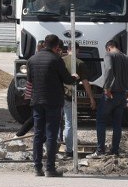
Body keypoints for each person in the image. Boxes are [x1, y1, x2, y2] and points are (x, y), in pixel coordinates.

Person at [27, 34, 78, 176]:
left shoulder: (32, 60)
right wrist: (75, 78)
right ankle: (50, 168)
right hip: (53, 102)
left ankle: (37, 167)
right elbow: (67, 79)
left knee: (38, 134)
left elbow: (30, 80)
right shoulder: (56, 60)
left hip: (37, 101)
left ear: (44, 44)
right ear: (56, 47)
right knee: (51, 135)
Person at [95, 41, 128, 156]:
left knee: (101, 120)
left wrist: (106, 88)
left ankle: (100, 150)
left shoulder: (109, 55)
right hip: (122, 95)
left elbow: (109, 69)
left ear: (108, 48)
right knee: (117, 123)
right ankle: (115, 150)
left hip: (111, 94)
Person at [60, 44, 97, 158]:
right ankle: (69, 150)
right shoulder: (79, 63)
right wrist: (91, 98)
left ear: (68, 49)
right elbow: (85, 83)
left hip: (56, 95)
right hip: (69, 96)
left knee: (55, 122)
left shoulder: (59, 60)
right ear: (78, 50)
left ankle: (54, 146)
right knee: (69, 123)